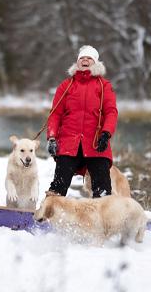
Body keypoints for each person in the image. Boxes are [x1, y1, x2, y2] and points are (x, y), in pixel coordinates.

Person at [46, 45, 118, 197]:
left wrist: (106, 134)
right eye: (82, 58)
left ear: (95, 62)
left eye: (89, 58)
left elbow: (111, 112)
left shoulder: (104, 86)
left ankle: (105, 219)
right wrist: (52, 137)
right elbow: (55, 114)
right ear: (77, 62)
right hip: (68, 142)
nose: (85, 60)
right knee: (58, 186)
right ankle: (45, 217)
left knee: (103, 190)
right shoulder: (66, 86)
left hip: (96, 142)